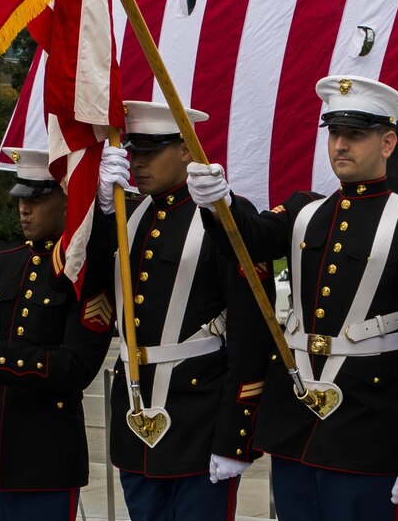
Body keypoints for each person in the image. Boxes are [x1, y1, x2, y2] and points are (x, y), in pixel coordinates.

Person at [186, 76, 398, 520]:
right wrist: (220, 203)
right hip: (297, 424)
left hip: (369, 429)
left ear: (388, 142)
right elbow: (250, 238)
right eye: (334, 133)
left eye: (356, 134)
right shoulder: (306, 212)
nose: (340, 145)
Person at [95, 101, 274, 521]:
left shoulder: (222, 216)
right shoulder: (129, 215)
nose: (137, 163)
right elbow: (88, 287)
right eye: (132, 152)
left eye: (150, 151)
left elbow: (250, 336)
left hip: (200, 421)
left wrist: (236, 438)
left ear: (186, 151)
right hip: (136, 422)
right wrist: (102, 212)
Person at [0, 148, 113, 520]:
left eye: (38, 198)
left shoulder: (83, 273)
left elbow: (76, 368)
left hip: (47, 460)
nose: (25, 208)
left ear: (67, 198)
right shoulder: (0, 267)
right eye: (22, 198)